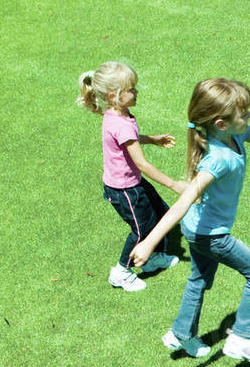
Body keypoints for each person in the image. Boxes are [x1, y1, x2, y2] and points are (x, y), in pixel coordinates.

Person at [130, 78, 250, 364]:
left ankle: (181, 332)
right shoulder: (216, 160)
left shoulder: (237, 134)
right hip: (210, 235)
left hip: (196, 228)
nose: (249, 116)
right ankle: (243, 338)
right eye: (244, 113)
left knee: (199, 279)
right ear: (220, 123)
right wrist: (149, 243)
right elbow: (183, 202)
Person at [77, 61, 185, 291]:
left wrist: (151, 139)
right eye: (131, 89)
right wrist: (174, 184)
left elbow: (129, 141)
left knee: (160, 213)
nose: (136, 92)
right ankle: (121, 271)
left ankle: (153, 257)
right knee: (141, 230)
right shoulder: (121, 122)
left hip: (131, 183)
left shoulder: (119, 115)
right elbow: (142, 164)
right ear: (113, 95)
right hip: (124, 190)